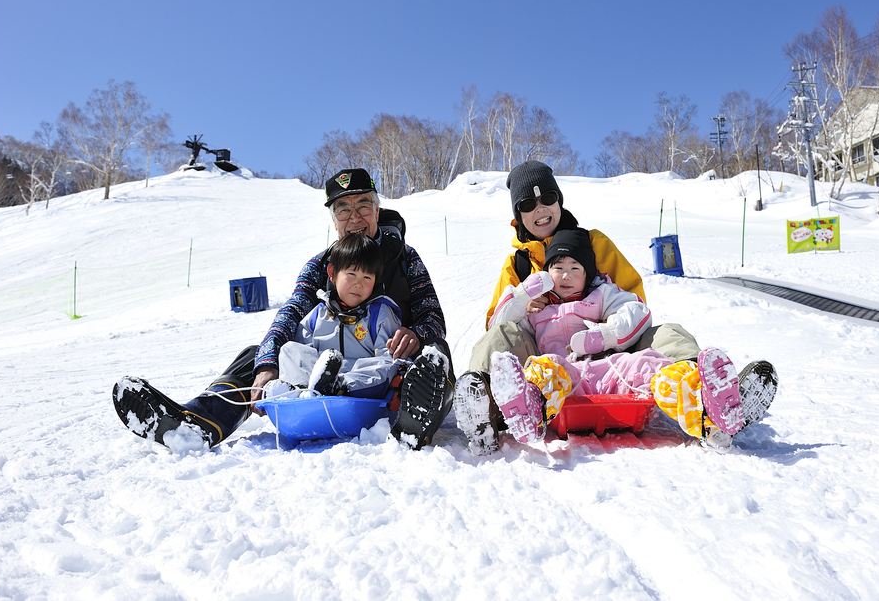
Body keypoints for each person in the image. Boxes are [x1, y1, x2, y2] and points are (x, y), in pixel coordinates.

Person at [113, 168, 453, 451]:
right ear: (333, 220)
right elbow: (289, 315)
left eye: (363, 205)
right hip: (325, 366)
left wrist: (417, 334)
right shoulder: (323, 265)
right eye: (343, 209)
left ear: (377, 210)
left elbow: (433, 317)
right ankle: (197, 425)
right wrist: (266, 365)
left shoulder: (405, 258)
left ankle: (414, 421)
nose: (355, 217)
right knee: (257, 354)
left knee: (436, 353)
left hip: (390, 365)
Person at [453, 160, 775, 454]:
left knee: (667, 332)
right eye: (528, 204)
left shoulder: (593, 244)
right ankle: (485, 408)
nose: (540, 209)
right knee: (503, 335)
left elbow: (634, 302)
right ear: (518, 214)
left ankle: (705, 397)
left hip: (609, 349)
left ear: (559, 200)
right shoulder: (518, 264)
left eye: (547, 198)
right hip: (545, 357)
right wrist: (523, 303)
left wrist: (603, 327)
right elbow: (495, 326)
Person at [485, 228, 761, 450]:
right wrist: (521, 297)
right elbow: (500, 327)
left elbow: (637, 312)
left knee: (650, 365)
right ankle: (530, 413)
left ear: (588, 274)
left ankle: (707, 413)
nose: (566, 275)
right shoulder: (538, 308)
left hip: (609, 371)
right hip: (564, 378)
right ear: (546, 274)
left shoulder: (601, 294)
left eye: (575, 268)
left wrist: (603, 335)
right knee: (544, 369)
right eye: (558, 268)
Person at [262, 231, 408, 402]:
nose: (358, 284)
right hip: (318, 379)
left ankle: (336, 389)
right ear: (332, 273)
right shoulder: (319, 314)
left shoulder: (380, 313)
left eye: (367, 277)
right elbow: (302, 352)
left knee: (386, 365)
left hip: (357, 383)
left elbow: (388, 358)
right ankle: (299, 391)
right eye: (351, 274)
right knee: (289, 350)